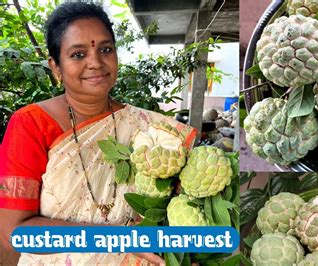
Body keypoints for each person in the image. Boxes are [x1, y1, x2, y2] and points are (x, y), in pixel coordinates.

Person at [0, 2, 196, 265]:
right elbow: (16, 232)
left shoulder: (151, 130)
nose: (95, 63)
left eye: (105, 50)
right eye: (78, 54)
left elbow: (174, 209)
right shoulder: (31, 124)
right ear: (56, 66)